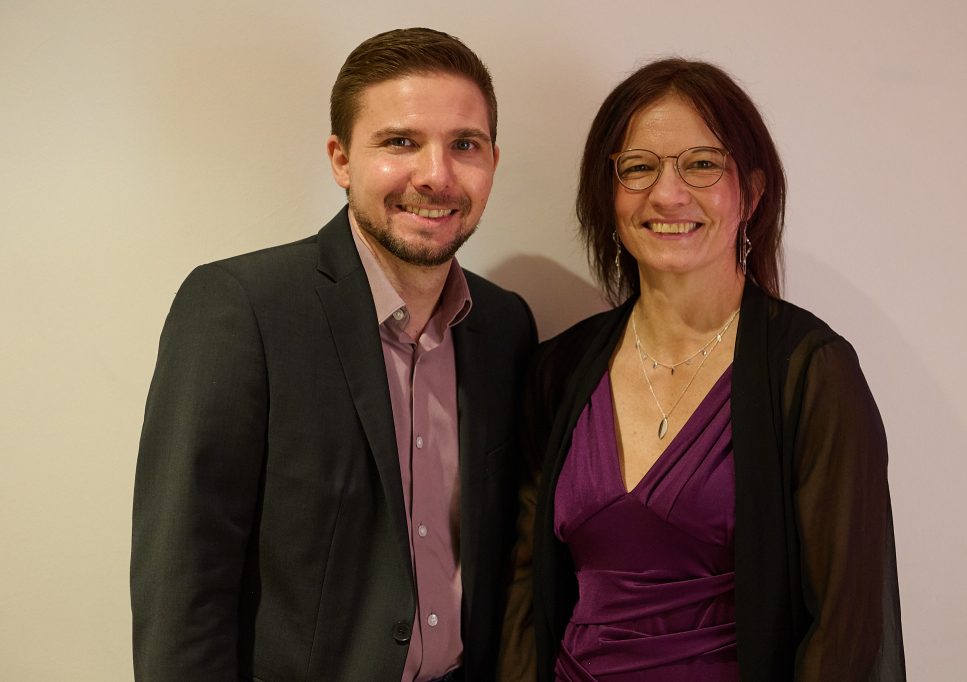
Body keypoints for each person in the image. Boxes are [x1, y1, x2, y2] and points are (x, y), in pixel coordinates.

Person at [131, 27, 536, 681]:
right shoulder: (242, 308)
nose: (436, 175)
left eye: (465, 145)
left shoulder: (505, 325)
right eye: (400, 142)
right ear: (341, 160)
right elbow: (185, 584)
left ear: (493, 160)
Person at [500, 59, 904, 681]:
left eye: (702, 164)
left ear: (752, 194)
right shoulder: (560, 369)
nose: (667, 194)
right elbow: (523, 591)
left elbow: (844, 627)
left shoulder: (812, 373)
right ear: (609, 196)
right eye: (639, 168)